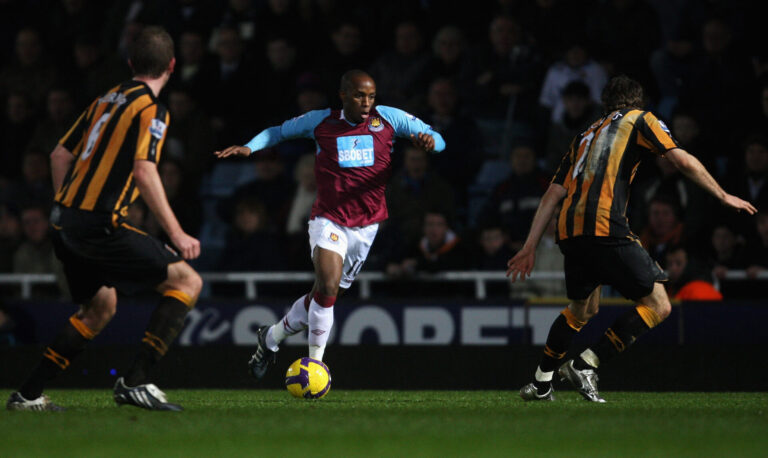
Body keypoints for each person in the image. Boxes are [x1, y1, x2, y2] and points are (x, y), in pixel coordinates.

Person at [507, 75, 756, 403]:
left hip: (569, 231)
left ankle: (540, 383)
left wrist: (529, 246)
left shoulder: (583, 135)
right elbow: (679, 158)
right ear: (636, 102)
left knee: (582, 310)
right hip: (604, 226)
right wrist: (722, 194)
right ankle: (586, 364)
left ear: (605, 104)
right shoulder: (641, 118)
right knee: (659, 305)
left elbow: (553, 193)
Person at [7, 27, 202, 412]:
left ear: (131, 63)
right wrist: (177, 232)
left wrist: (66, 204)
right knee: (187, 280)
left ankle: (27, 395)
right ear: (172, 65)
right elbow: (145, 171)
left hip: (65, 222)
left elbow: (58, 155)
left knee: (99, 308)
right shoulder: (151, 108)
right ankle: (137, 381)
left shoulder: (106, 98)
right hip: (98, 224)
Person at [215, 69, 444, 378]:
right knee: (328, 284)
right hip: (329, 219)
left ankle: (271, 337)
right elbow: (278, 132)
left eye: (371, 96)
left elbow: (438, 139)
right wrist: (250, 147)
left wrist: (432, 142)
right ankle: (315, 366)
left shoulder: (388, 119)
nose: (366, 102)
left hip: (367, 226)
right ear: (343, 95)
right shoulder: (321, 122)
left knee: (324, 296)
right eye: (360, 95)